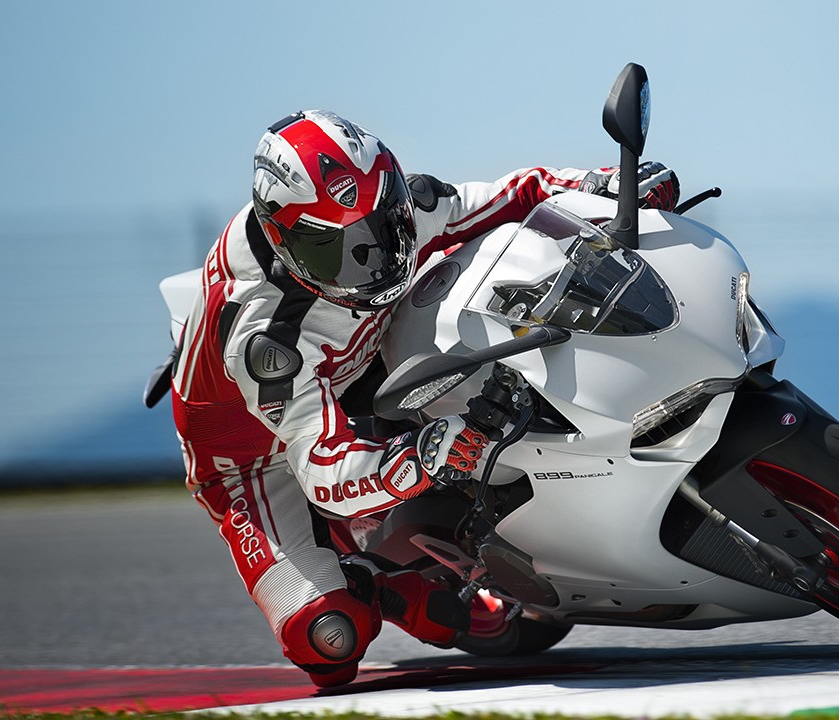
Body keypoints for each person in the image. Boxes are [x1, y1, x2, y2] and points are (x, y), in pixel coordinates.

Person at [169, 109, 679, 687]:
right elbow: (323, 472)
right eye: (337, 249)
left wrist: (600, 184)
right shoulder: (265, 336)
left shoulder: (402, 205)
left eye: (380, 225)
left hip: (365, 361)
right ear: (285, 244)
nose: (372, 258)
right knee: (328, 640)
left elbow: (513, 194)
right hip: (259, 455)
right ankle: (385, 584)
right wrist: (427, 453)